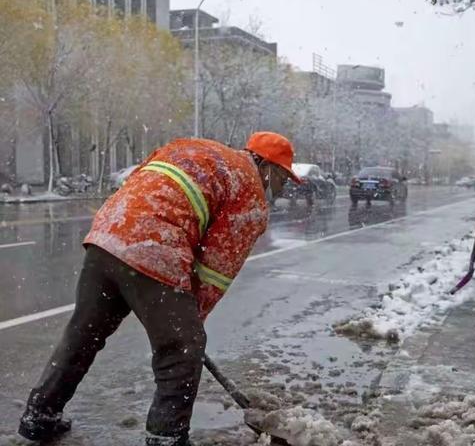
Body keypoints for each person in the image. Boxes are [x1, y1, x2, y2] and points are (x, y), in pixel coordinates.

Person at [18, 132, 301, 446]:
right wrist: (186, 327)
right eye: (282, 177)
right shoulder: (249, 191)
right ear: (264, 166)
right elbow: (213, 274)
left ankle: (40, 415)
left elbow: (144, 179)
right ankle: (166, 438)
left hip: (106, 235)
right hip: (153, 247)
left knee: (83, 334)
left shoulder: (197, 147)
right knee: (182, 350)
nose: (281, 187)